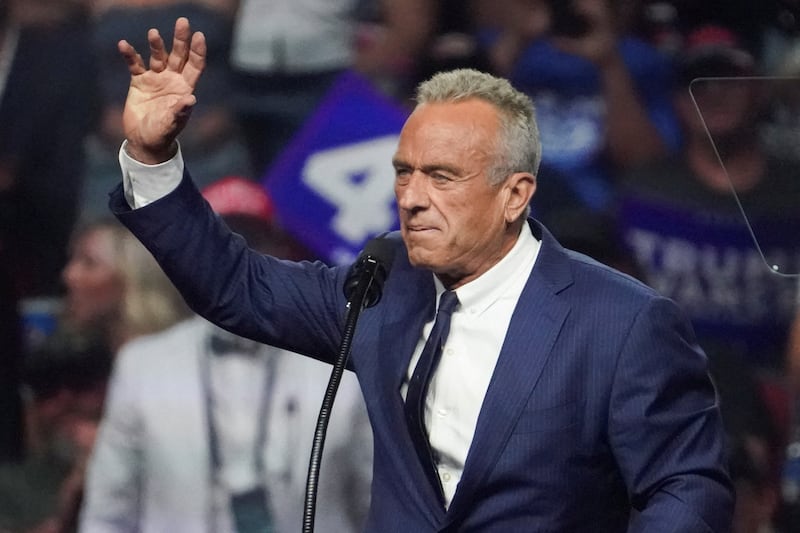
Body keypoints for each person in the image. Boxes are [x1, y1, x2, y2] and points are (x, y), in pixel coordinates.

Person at [107, 17, 733, 531]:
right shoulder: (380, 290)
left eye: (441, 176)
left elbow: (685, 491)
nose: (410, 197)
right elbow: (236, 287)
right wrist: (154, 159)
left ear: (515, 195)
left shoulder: (620, 322)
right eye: (404, 172)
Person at [79, 177, 371, 533]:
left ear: (283, 252)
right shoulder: (143, 366)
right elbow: (108, 513)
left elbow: (376, 504)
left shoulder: (340, 368)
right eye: (225, 244)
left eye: (255, 241)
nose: (240, 260)